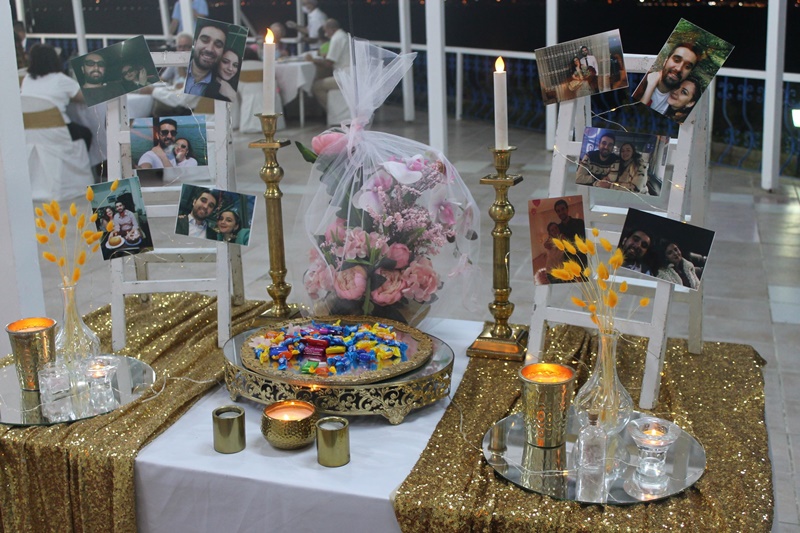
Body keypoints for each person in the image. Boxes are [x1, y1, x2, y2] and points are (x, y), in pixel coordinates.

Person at [21, 44, 92, 151]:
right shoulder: (60, 79)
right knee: (86, 134)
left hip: (31, 133)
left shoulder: (27, 79)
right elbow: (86, 97)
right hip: (57, 132)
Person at [632, 43, 702, 114]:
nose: (679, 69)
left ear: (689, 73)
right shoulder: (638, 80)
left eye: (687, 67)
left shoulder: (674, 102)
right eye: (676, 60)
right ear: (665, 61)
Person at [309, 19, 350, 111]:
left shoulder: (336, 39)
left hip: (344, 77)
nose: (325, 34)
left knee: (316, 86)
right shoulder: (343, 35)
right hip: (348, 74)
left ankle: (334, 111)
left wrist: (312, 60)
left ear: (332, 29)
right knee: (322, 79)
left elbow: (328, 63)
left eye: (326, 31)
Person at [185, 19, 230, 100]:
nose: (210, 49)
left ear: (223, 52)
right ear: (195, 43)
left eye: (218, 44)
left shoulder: (222, 89)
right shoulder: (177, 66)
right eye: (205, 40)